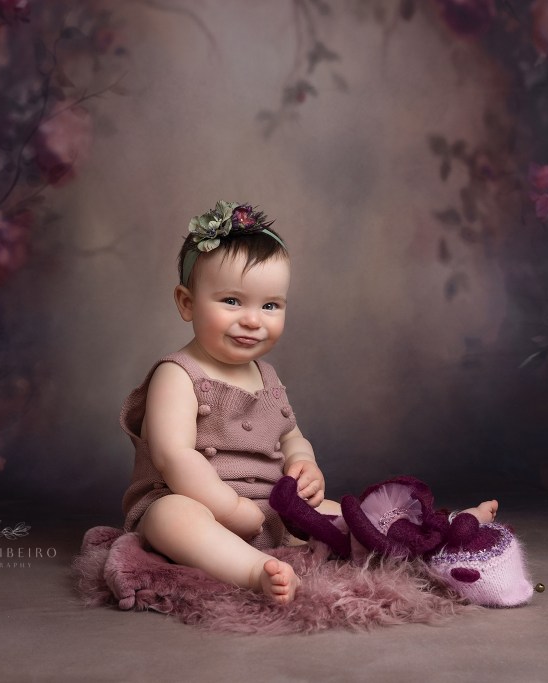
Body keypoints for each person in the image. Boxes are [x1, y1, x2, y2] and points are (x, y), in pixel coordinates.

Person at [119, 201, 498, 604]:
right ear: (187, 303)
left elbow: (291, 436)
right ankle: (253, 572)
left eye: (270, 306)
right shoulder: (177, 375)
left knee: (358, 517)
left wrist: (305, 464)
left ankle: (442, 536)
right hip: (200, 505)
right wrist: (227, 508)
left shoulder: (266, 376)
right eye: (232, 301)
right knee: (170, 518)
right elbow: (173, 457)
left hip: (271, 509)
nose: (253, 320)